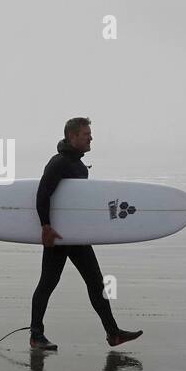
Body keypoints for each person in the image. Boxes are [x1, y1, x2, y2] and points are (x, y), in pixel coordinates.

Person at [29, 117, 143, 351]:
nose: (91, 137)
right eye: (86, 134)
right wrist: (46, 227)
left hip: (77, 236)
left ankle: (114, 334)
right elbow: (42, 194)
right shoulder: (58, 163)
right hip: (59, 236)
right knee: (48, 283)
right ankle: (36, 335)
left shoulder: (79, 166)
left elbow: (79, 204)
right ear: (72, 136)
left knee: (96, 283)